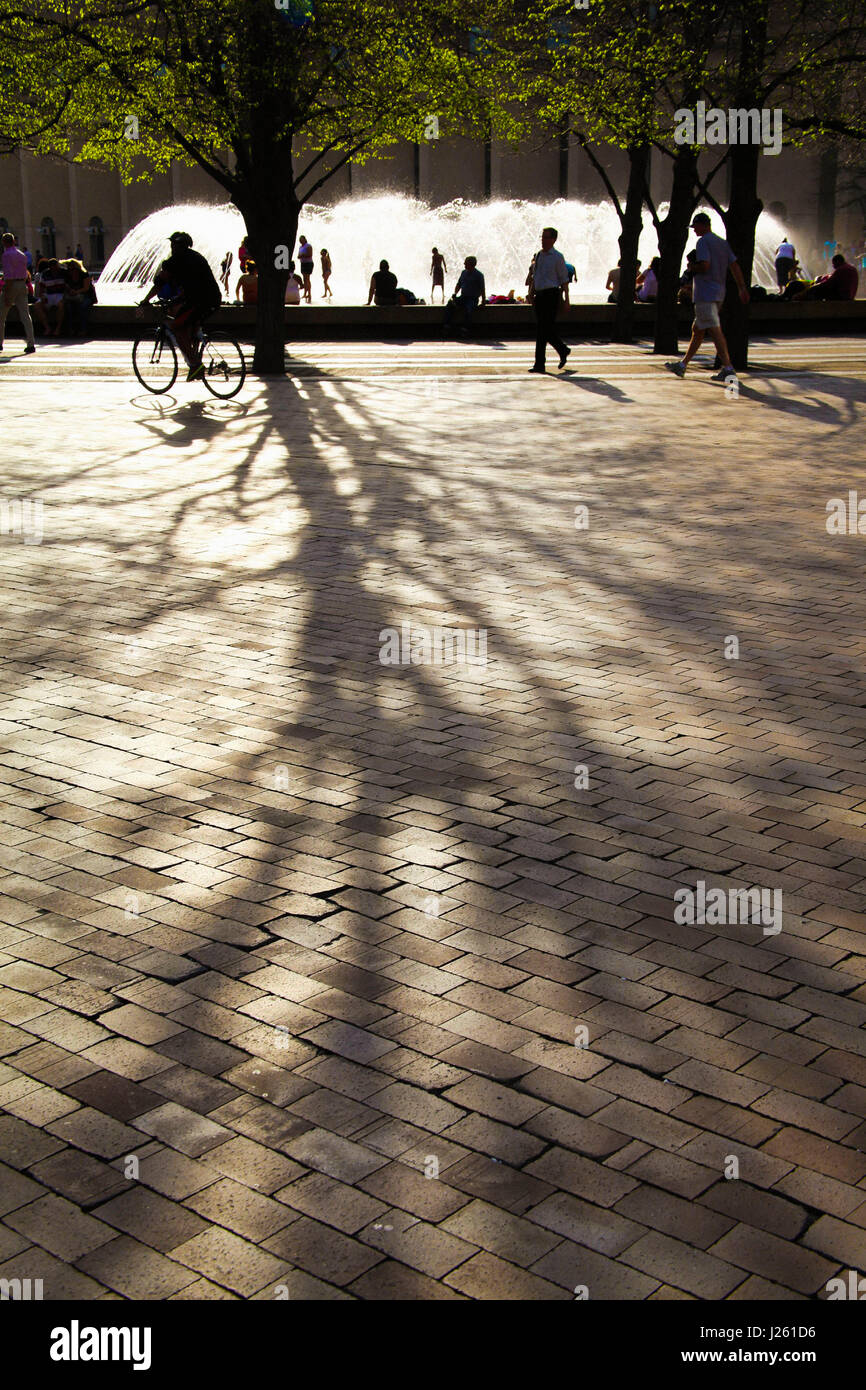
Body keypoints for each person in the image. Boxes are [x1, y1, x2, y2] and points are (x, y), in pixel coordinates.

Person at [665, 212, 749, 382]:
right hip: (719, 293)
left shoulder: (703, 242)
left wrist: (691, 267)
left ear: (704, 225)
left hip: (705, 294)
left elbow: (704, 266)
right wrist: (742, 288)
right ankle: (682, 365)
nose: (694, 230)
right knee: (697, 330)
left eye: (696, 226)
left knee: (715, 330)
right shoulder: (722, 243)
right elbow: (734, 266)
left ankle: (728, 368)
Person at [137, 230, 221, 380]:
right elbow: (192, 285)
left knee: (176, 327)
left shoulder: (175, 261)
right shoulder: (196, 257)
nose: (172, 247)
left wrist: (145, 301)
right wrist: (177, 300)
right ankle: (195, 358)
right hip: (212, 299)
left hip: (199, 301)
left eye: (173, 245)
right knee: (188, 325)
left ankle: (195, 366)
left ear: (178, 246)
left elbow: (160, 283)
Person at [528, 226, 571, 373]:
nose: (543, 240)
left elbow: (564, 279)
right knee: (543, 329)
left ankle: (540, 363)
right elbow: (536, 276)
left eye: (546, 237)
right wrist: (531, 293)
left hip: (552, 295)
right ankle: (562, 349)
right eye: (542, 237)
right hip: (540, 295)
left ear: (553, 240)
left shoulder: (557, 257)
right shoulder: (538, 255)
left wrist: (566, 299)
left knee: (543, 329)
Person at [0, 232, 36, 353]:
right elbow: (25, 272)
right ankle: (31, 343)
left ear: (4, 242)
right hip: (22, 284)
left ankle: (0, 342)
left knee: (1, 315)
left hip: (12, 285)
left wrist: (6, 291)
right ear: (14, 241)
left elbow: (8, 275)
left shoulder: (6, 255)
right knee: (25, 315)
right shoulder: (22, 255)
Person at [444, 255, 486, 333]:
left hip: (472, 299)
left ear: (472, 264)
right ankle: (447, 324)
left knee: (468, 309)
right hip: (463, 297)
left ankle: (465, 327)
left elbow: (482, 288)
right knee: (450, 304)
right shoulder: (463, 273)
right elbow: (459, 284)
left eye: (466, 263)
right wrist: (455, 293)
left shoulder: (479, 275)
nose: (464, 264)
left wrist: (483, 301)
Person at [61, 257, 95, 336]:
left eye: (72, 269)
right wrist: (70, 290)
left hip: (86, 296)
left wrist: (76, 292)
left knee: (82, 307)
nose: (70, 271)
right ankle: (71, 329)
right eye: (69, 269)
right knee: (68, 307)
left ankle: (83, 329)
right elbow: (66, 286)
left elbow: (86, 288)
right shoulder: (67, 275)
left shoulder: (84, 274)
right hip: (74, 296)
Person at [33, 257, 67, 336]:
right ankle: (47, 327)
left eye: (55, 266)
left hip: (60, 294)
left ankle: (58, 328)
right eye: (52, 267)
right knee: (37, 306)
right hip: (49, 295)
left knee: (61, 306)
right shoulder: (45, 274)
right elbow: (42, 288)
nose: (54, 269)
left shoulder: (63, 273)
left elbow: (67, 286)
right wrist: (42, 297)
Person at [297, 235, 313, 302]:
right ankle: (305, 293)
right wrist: (299, 256)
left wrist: (302, 255)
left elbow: (310, 254)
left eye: (301, 239)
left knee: (307, 279)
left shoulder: (308, 246)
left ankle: (309, 294)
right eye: (299, 240)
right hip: (302, 263)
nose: (300, 241)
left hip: (308, 263)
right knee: (304, 279)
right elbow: (299, 255)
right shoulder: (300, 247)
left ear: (304, 239)